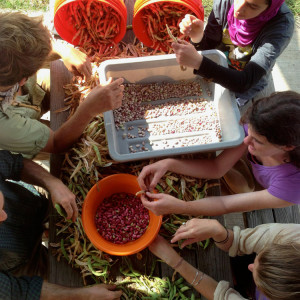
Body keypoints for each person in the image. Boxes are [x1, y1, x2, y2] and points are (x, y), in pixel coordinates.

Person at [138, 91, 300, 216]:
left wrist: (181, 207)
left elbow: (225, 205)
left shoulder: (291, 185)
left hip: (267, 187)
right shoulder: (261, 128)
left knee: (243, 189)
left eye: (257, 141)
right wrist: (168, 164)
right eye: (248, 132)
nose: (245, 141)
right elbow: (217, 168)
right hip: (258, 166)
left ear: (287, 146)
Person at [0, 150, 122, 299]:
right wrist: (85, 295)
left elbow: (16, 164)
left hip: (30, 204)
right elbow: (21, 291)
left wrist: (52, 183)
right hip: (21, 261)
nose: (4, 216)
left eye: (1, 207)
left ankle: (45, 229)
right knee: (67, 275)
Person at [0, 11, 124, 158]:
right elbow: (56, 143)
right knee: (60, 151)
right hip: (13, 135)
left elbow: (20, 46)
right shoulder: (5, 127)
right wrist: (88, 109)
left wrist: (62, 50)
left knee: (63, 82)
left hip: (30, 92)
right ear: (23, 80)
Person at [173, 0, 294, 108]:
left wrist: (198, 63)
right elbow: (209, 46)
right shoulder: (224, 3)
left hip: (247, 84)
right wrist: (197, 36)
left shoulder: (281, 26)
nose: (238, 8)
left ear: (270, 7)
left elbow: (245, 82)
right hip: (216, 70)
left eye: (252, 6)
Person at [148, 218, 300, 300]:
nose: (250, 266)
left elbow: (222, 296)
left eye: (261, 285)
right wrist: (217, 230)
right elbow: (238, 241)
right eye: (261, 257)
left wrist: (175, 261)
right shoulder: (293, 236)